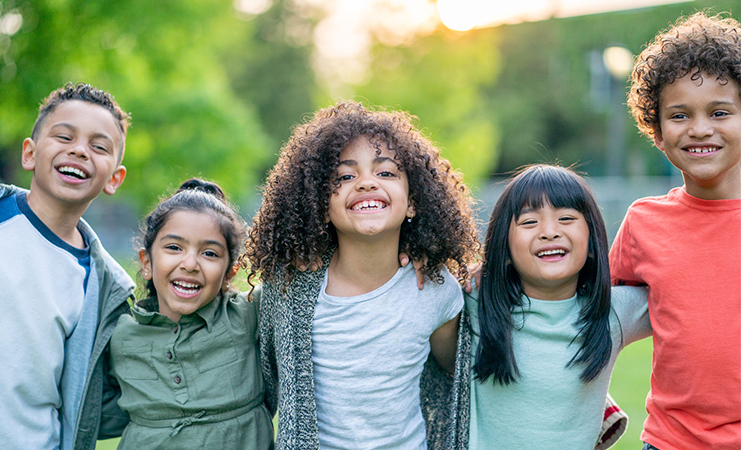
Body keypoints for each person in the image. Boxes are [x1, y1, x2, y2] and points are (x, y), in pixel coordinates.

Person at [244, 101, 480, 449]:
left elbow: (457, 373)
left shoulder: (435, 288)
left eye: (386, 173)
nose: (367, 183)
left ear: (413, 202)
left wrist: (484, 273)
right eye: (344, 176)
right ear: (319, 204)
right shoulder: (288, 290)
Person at [0, 82, 134, 450]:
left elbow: (101, 400)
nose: (79, 150)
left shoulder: (104, 287)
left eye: (98, 146)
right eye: (64, 137)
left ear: (114, 178)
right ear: (29, 154)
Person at [611, 11, 741, 450]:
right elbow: (575, 301)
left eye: (720, 112)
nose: (700, 128)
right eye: (680, 115)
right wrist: (491, 276)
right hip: (670, 442)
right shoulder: (643, 223)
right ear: (659, 133)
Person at [468, 164, 651, 450]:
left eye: (566, 218)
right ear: (503, 249)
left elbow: (685, 294)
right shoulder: (475, 302)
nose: (549, 232)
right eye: (529, 222)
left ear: (592, 243)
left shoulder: (613, 312)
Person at [109, 178, 273, 449]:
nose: (190, 264)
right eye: (174, 247)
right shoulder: (120, 334)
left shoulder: (248, 315)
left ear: (228, 273)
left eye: (209, 253)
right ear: (147, 263)